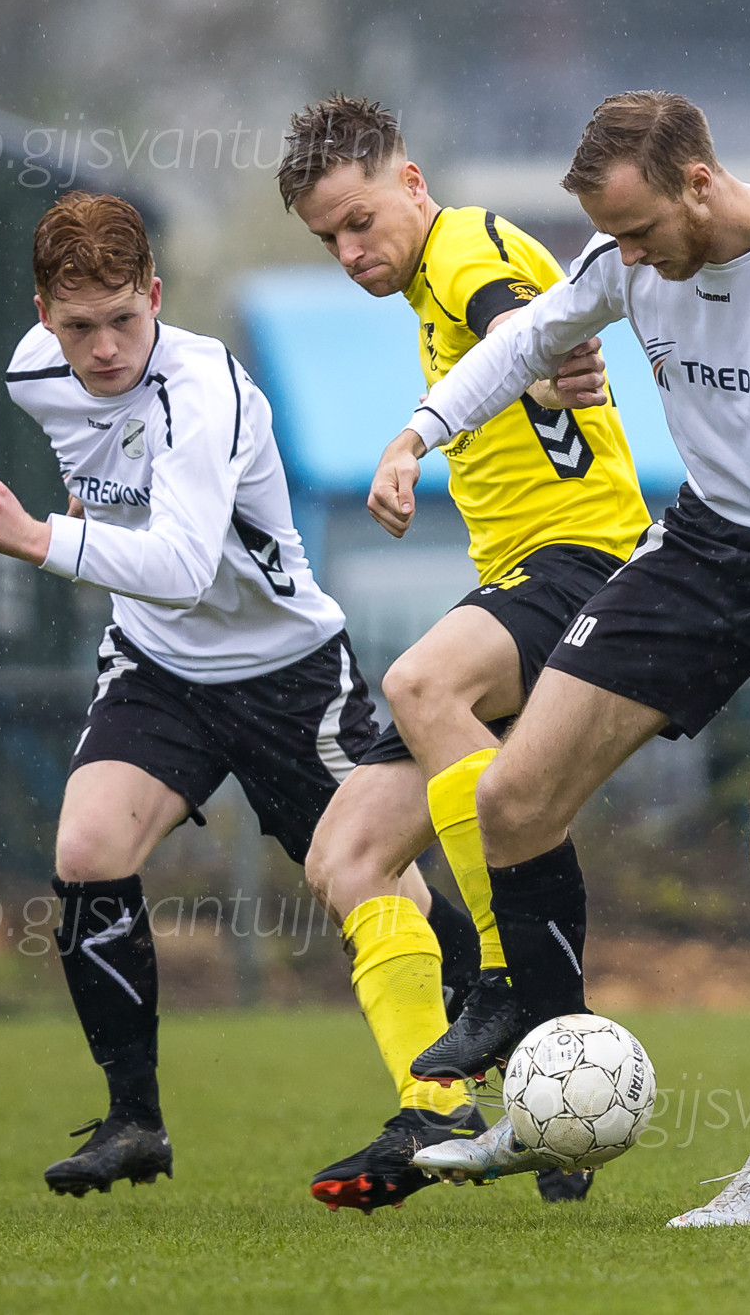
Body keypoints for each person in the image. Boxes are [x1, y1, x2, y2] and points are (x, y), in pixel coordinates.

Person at [395, 91, 750, 1227]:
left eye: (641, 228)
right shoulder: (627, 257)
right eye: (611, 236)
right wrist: (419, 434)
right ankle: (548, 1096)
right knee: (512, 799)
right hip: (707, 543)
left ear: (698, 182)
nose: (627, 256)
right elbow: (527, 339)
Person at [0, 191, 393, 1198]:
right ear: (44, 313)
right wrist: (91, 508)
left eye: (122, 320)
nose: (103, 349)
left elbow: (183, 566)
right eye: (78, 326)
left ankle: (489, 1073)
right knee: (87, 848)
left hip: (286, 669)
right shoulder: (31, 371)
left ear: (154, 294)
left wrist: (40, 537)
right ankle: (134, 1120)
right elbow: (113, 479)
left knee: (367, 881)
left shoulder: (203, 389)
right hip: (158, 665)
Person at [276, 95, 651, 1210]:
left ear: (411, 182)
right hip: (517, 582)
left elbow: (514, 323)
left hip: (586, 561)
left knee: (421, 680)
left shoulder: (464, 247)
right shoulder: (427, 282)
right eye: (328, 239)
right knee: (346, 858)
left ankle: (514, 979)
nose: (350, 251)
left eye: (359, 221)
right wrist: (534, 366)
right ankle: (438, 1108)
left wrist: (535, 367)